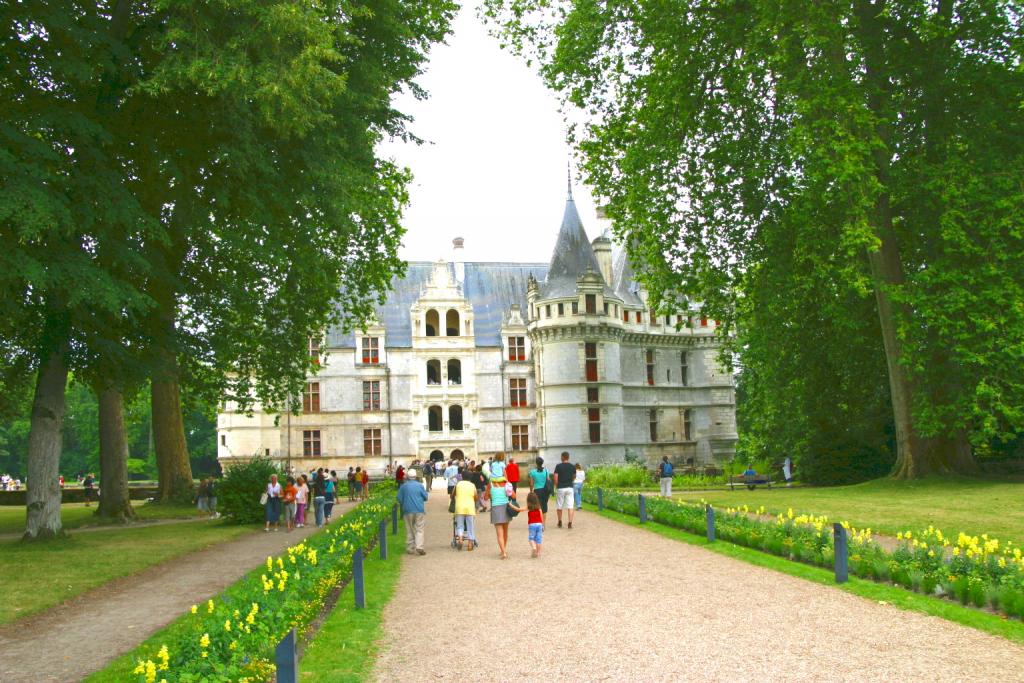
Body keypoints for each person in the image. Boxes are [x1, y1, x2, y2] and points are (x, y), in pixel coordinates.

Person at [487, 476, 521, 559]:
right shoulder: (506, 484)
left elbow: (486, 497)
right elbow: (514, 496)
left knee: (499, 534)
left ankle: (503, 552)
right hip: (505, 508)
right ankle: (503, 550)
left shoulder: (490, 484)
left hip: (496, 509)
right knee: (505, 532)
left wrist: (491, 494)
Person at [397, 469, 429, 555]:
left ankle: (410, 548)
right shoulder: (420, 485)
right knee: (419, 528)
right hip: (419, 509)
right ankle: (419, 547)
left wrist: (405, 503)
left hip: (407, 510)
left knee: (409, 528)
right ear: (415, 477)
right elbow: (426, 497)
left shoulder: (403, 486)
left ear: (407, 476)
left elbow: (399, 498)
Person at [453, 473, 478, 550]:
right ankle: (470, 544)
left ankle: (460, 538)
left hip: (459, 507)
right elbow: (476, 497)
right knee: (470, 526)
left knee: (460, 525)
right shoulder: (472, 485)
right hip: (470, 507)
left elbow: (452, 495)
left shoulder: (458, 484)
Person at [553, 452, 577, 529]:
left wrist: (556, 486)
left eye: (561, 456)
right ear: (568, 457)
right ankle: (570, 522)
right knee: (570, 506)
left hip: (561, 487)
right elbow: (574, 476)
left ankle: (560, 521)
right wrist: (570, 481)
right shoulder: (572, 466)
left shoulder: (558, 466)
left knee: (559, 505)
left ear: (563, 457)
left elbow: (556, 478)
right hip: (570, 487)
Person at [528, 457, 550, 525]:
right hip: (545, 491)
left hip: (537, 491)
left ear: (536, 463)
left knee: (537, 507)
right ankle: (544, 524)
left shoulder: (532, 472)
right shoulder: (546, 471)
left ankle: (538, 522)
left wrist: (531, 491)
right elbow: (548, 481)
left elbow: (531, 484)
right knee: (544, 506)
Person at [526, 491, 544, 558]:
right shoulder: (539, 508)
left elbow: (520, 509)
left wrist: (512, 506)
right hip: (539, 524)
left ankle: (534, 548)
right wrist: (542, 525)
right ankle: (538, 553)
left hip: (532, 525)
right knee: (538, 539)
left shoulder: (529, 508)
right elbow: (541, 517)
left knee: (531, 538)